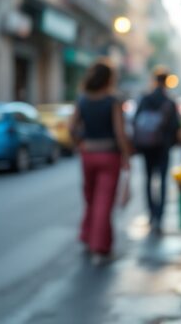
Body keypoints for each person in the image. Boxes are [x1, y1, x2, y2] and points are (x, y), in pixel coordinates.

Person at [69, 59, 131, 263]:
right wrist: (126, 157)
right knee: (103, 203)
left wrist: (81, 143)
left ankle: (87, 238)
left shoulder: (83, 99)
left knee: (90, 199)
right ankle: (100, 248)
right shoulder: (113, 100)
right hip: (109, 156)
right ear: (109, 78)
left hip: (88, 155)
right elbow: (120, 133)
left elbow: (71, 128)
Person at [133, 67, 180, 233]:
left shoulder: (145, 98)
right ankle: (160, 216)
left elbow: (136, 120)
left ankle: (151, 214)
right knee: (162, 181)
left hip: (147, 146)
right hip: (163, 146)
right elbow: (176, 126)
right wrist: (171, 141)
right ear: (166, 81)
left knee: (147, 179)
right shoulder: (170, 101)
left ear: (154, 80)